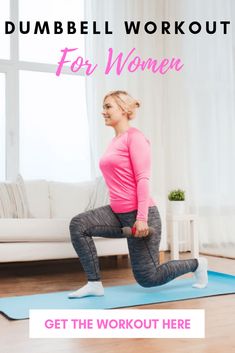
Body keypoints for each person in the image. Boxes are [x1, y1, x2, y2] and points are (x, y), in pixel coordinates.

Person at [68, 90, 208, 298]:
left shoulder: (136, 138)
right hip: (117, 213)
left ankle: (198, 264)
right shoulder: (115, 141)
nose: (103, 112)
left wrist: (141, 218)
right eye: (103, 107)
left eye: (108, 107)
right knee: (78, 224)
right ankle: (94, 284)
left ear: (124, 109)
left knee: (148, 278)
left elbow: (142, 179)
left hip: (141, 215)